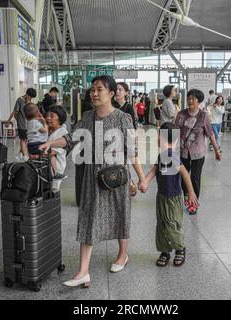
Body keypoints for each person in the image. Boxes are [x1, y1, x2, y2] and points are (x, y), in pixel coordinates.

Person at [39, 75, 146, 288]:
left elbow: (132, 153)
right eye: (92, 90)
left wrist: (140, 179)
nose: (94, 93)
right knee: (88, 219)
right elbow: (70, 139)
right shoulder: (87, 117)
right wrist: (51, 143)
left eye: (99, 89)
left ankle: (123, 256)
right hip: (92, 178)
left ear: (112, 93)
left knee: (120, 215)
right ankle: (83, 271)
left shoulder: (123, 118)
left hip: (116, 178)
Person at [140, 122, 198, 267]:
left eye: (158, 135)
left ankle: (180, 248)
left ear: (162, 138)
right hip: (161, 197)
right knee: (161, 225)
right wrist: (145, 181)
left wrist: (190, 192)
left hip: (173, 198)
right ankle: (165, 251)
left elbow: (184, 173)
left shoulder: (173, 156)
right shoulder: (161, 156)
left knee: (172, 224)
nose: (157, 139)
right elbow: (154, 170)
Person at [175, 89, 221, 215]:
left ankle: (193, 203)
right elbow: (174, 133)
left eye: (193, 99)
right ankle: (186, 198)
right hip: (183, 152)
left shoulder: (203, 116)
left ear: (199, 101)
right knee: (183, 177)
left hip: (198, 153)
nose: (190, 101)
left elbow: (210, 134)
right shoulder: (181, 114)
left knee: (195, 178)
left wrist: (217, 150)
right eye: (189, 98)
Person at [6, 88, 37, 161]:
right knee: (23, 139)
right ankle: (24, 155)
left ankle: (20, 154)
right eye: (30, 97)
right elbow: (15, 112)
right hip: (22, 124)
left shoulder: (28, 101)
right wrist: (9, 121)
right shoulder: (19, 100)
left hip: (28, 124)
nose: (31, 98)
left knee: (26, 140)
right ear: (27, 94)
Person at [45, 106, 69, 187]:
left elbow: (52, 152)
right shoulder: (47, 129)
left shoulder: (62, 133)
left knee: (54, 189)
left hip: (56, 167)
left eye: (52, 116)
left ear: (60, 119)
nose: (48, 118)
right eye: (47, 115)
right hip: (44, 165)